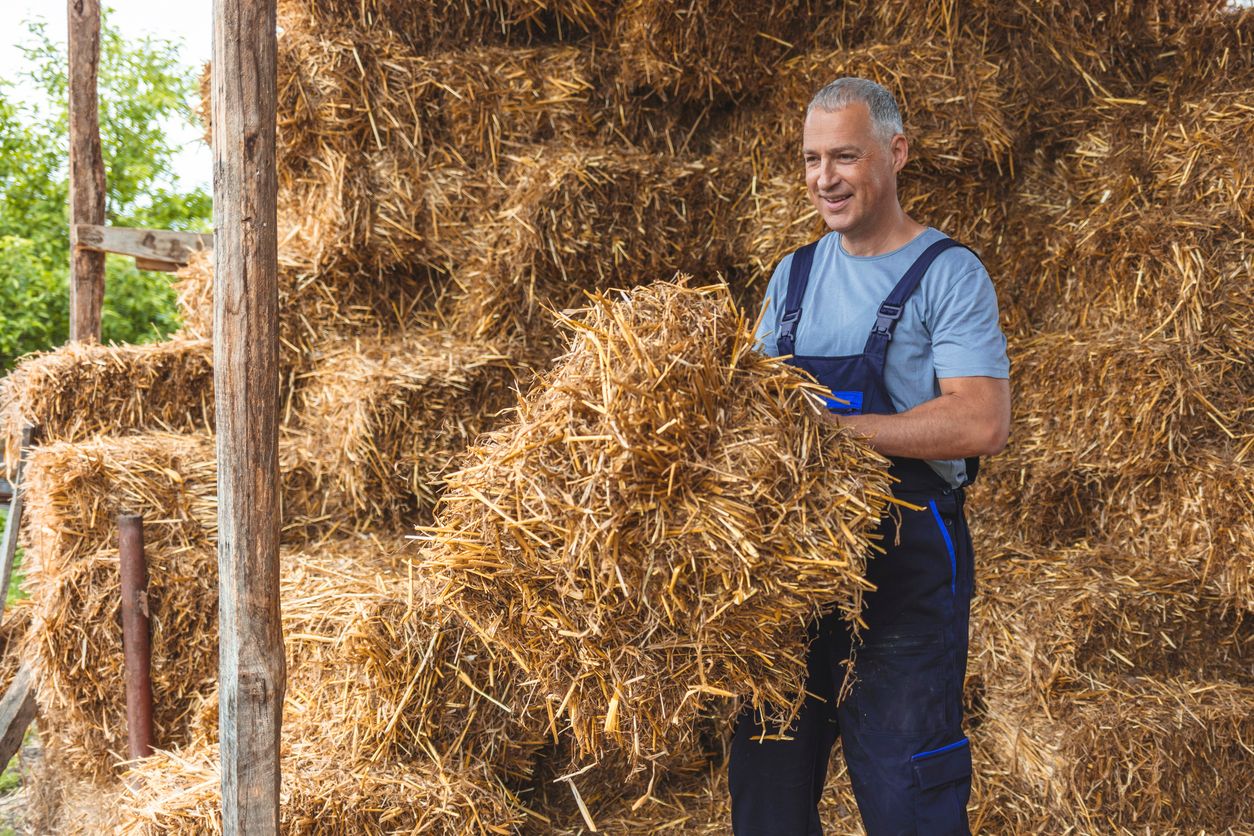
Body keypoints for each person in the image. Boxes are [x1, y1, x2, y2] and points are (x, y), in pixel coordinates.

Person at [730, 78, 1011, 835]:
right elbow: (756, 420)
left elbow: (982, 421)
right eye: (812, 159)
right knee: (765, 801)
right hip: (787, 585)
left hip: (904, 569)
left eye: (845, 156)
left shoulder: (948, 274)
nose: (825, 178)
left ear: (896, 152)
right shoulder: (791, 278)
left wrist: (831, 435)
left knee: (907, 800)